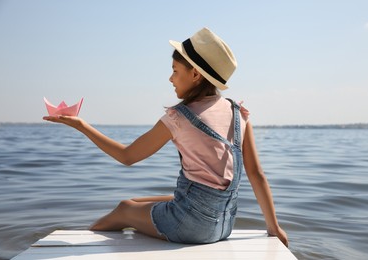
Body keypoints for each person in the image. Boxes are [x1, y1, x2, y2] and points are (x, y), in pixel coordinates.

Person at [43, 27, 288, 247]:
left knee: (124, 208)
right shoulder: (239, 114)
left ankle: (85, 243)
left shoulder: (178, 117)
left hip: (191, 227)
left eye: (174, 71)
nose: (170, 78)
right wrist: (274, 228)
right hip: (223, 226)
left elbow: (127, 156)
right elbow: (256, 174)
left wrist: (81, 125)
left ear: (195, 74)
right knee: (138, 200)